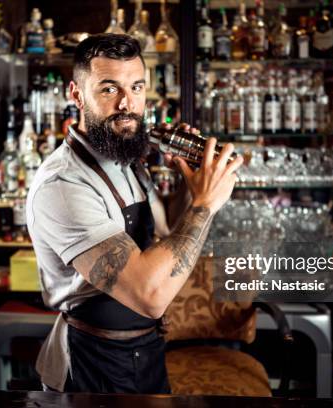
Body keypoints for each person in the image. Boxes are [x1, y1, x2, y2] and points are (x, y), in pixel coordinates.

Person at [26, 33, 243, 394]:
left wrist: (189, 186)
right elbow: (150, 294)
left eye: (137, 87)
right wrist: (205, 203)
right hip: (91, 362)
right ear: (76, 94)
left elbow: (170, 236)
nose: (127, 104)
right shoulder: (63, 185)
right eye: (109, 89)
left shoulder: (126, 158)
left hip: (146, 350)